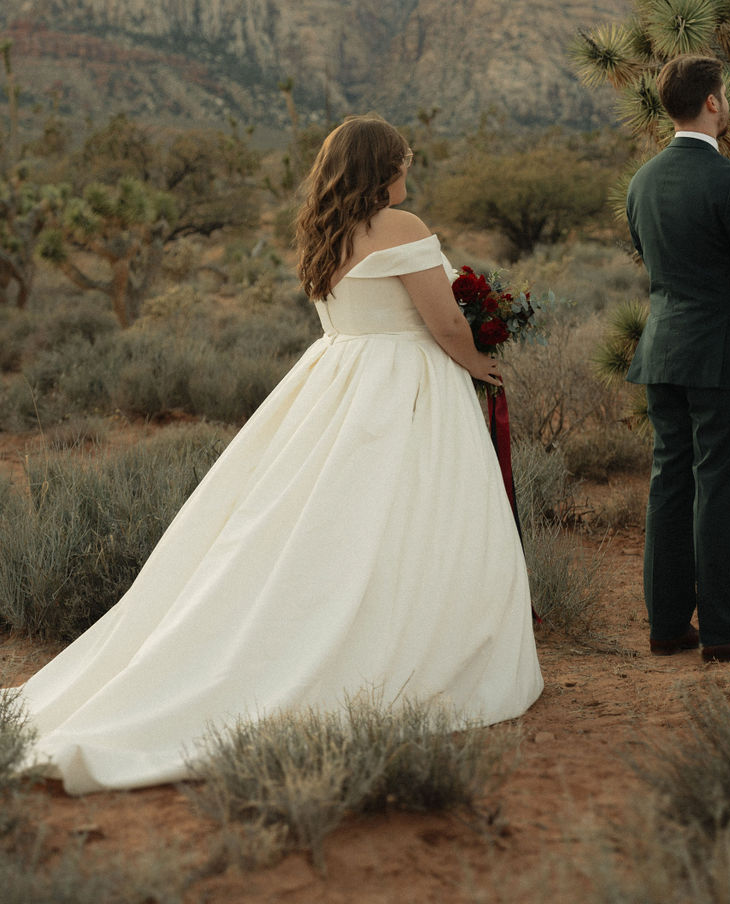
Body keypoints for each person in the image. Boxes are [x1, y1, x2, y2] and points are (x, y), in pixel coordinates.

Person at [12, 115, 542, 793]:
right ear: (382, 167)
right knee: (414, 517)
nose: (409, 170)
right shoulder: (401, 227)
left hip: (336, 378)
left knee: (326, 521)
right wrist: (480, 363)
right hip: (405, 384)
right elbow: (441, 322)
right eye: (403, 160)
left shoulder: (322, 232)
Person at [625, 54, 730, 663]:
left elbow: (649, 256)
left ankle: (668, 625)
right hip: (725, 354)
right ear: (715, 102)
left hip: (663, 350)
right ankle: (725, 629)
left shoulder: (642, 181)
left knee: (668, 486)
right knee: (720, 490)